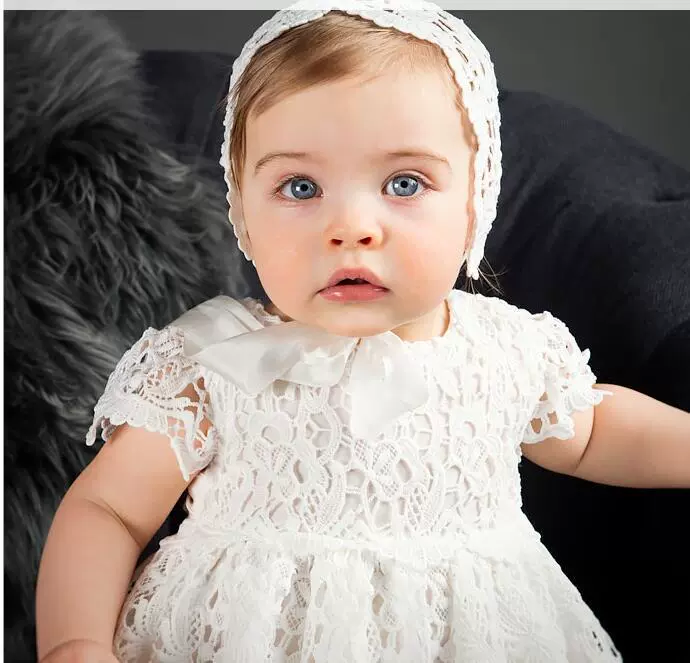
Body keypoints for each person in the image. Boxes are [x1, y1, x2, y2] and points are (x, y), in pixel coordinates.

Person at [35, 2, 690, 661]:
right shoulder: (216, 358)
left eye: (404, 183)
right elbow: (109, 510)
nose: (350, 227)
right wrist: (75, 641)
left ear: (475, 205)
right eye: (300, 187)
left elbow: (594, 430)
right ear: (243, 213)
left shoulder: (503, 351)